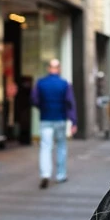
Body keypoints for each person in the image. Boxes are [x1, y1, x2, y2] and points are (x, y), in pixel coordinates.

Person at [31, 59, 77, 189]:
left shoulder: (41, 83)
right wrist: (74, 121)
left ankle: (45, 174)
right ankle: (61, 175)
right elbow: (70, 103)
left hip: (45, 119)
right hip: (60, 119)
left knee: (45, 147)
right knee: (61, 146)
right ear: (59, 68)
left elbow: (34, 99)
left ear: (48, 68)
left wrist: (42, 107)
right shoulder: (64, 84)